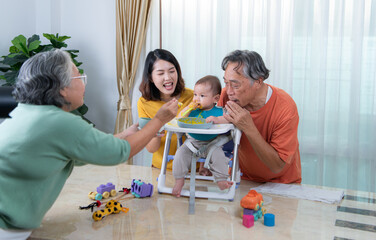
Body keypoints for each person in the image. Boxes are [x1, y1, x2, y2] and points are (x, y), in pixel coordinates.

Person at [0, 49, 178, 239]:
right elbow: (120, 152)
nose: (85, 85)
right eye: (80, 78)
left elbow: (86, 150)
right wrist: (159, 120)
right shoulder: (58, 122)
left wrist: (125, 134)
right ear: (62, 87)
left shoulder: (28, 113)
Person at [209, 50, 301, 183]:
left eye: (235, 85)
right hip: (242, 178)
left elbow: (277, 166)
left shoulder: (285, 107)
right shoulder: (226, 96)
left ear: (258, 82)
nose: (229, 91)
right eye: (226, 83)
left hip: (282, 183)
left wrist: (249, 128)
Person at [172, 75, 233, 197]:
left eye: (202, 96)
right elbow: (179, 119)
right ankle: (179, 181)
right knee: (179, 154)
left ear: (215, 98)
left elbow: (230, 119)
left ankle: (221, 180)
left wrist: (217, 119)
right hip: (192, 143)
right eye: (195, 94)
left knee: (219, 157)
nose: (196, 99)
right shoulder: (192, 111)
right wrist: (189, 108)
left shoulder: (219, 111)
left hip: (213, 144)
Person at [137, 49, 193, 170]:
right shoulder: (144, 103)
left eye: (172, 71)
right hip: (161, 168)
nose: (168, 77)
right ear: (151, 77)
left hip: (193, 169)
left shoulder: (193, 97)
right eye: (160, 73)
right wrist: (158, 125)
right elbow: (151, 149)